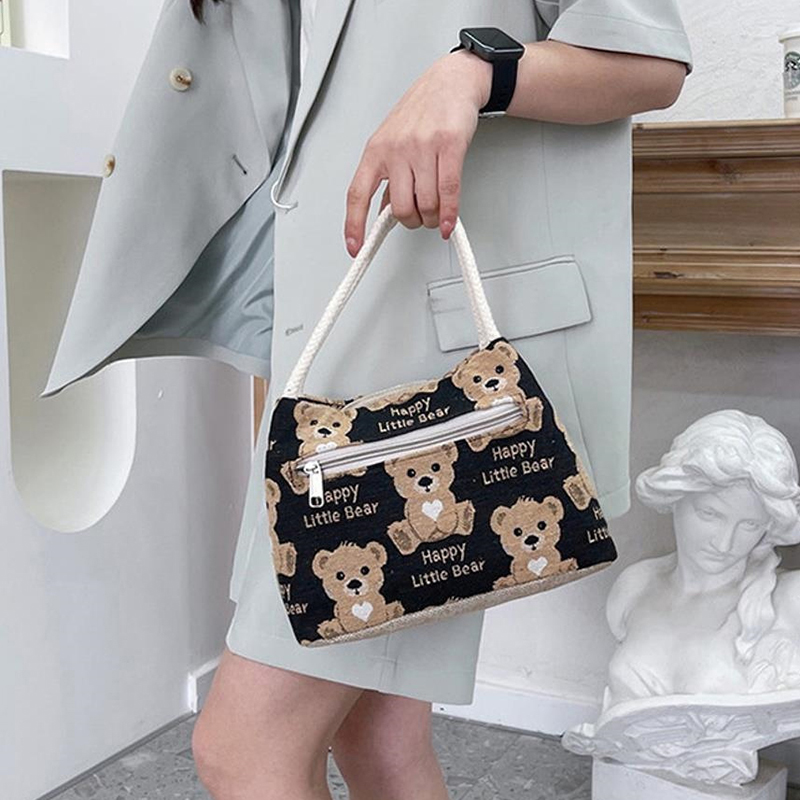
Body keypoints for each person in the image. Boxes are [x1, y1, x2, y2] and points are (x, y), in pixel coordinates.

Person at [38, 1, 694, 798]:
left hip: (431, 371)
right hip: (323, 365)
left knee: (244, 749)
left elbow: (650, 64)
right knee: (377, 738)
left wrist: (473, 73)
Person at [605, 409, 800, 708]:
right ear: (676, 497)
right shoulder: (635, 586)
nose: (724, 543)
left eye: (749, 525)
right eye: (710, 514)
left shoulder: (788, 599)